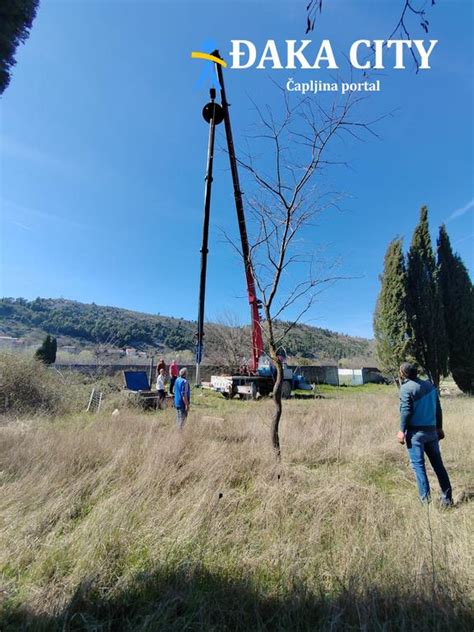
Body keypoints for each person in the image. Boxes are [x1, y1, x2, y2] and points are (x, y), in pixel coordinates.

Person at [397, 362, 452, 506]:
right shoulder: (430, 386)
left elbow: (406, 411)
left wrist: (402, 430)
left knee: (419, 467)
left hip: (416, 434)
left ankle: (425, 504)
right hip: (432, 432)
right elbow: (438, 409)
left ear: (403, 373)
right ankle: (447, 499)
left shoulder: (406, 388)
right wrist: (439, 428)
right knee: (438, 465)